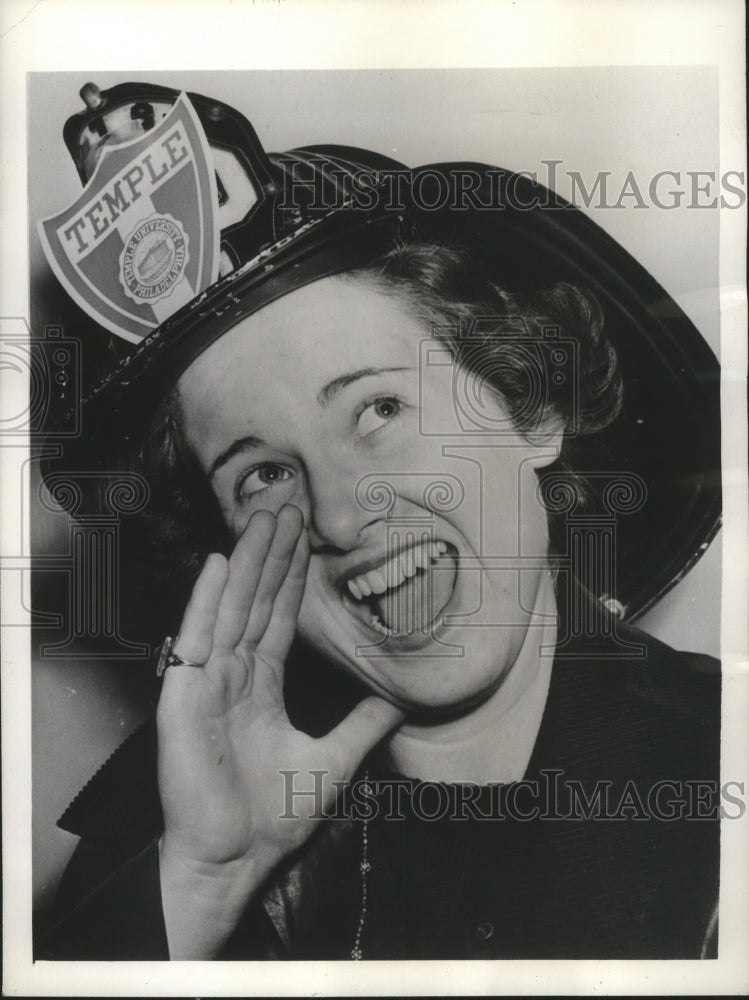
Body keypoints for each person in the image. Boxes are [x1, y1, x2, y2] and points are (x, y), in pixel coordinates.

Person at [35, 80, 721, 961]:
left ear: (529, 404)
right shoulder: (169, 844)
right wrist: (205, 881)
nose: (339, 514)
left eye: (379, 411)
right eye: (265, 474)